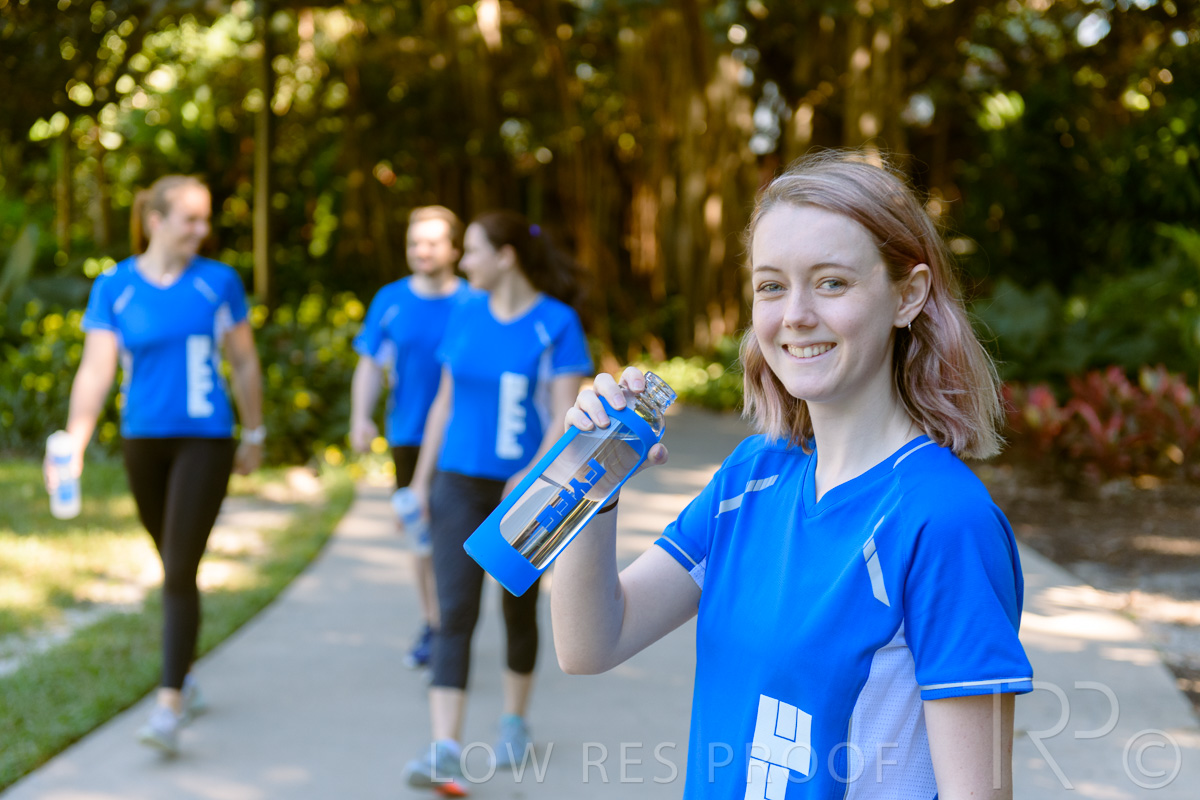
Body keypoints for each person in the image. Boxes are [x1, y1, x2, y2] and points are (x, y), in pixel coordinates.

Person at [552, 151, 1033, 799]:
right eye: (772, 286)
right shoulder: (751, 475)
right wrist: (594, 483)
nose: (795, 315)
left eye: (831, 283)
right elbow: (589, 644)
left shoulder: (945, 519)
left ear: (908, 295)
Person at [48, 175, 264, 756]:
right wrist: (74, 441)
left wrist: (255, 431)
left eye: (205, 218)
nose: (202, 229)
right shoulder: (114, 286)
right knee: (171, 561)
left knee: (178, 568)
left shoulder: (218, 282)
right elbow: (96, 369)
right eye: (191, 218)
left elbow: (244, 362)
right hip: (142, 439)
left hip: (206, 440)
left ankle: (169, 703)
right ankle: (185, 675)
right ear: (156, 221)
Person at [403, 210, 592, 795]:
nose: (464, 263)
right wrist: (420, 480)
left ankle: (514, 720)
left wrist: (531, 482)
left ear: (506, 256)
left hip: (525, 491)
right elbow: (444, 402)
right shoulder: (464, 313)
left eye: (474, 251)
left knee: (517, 607)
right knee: (454, 611)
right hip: (457, 480)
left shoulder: (556, 323)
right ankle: (445, 748)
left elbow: (564, 419)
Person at [349, 205, 469, 670]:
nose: (422, 251)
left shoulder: (475, 302)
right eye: (414, 242)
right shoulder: (390, 300)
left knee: (454, 536)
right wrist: (361, 416)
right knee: (420, 533)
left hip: (465, 439)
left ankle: (453, 622)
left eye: (433, 243)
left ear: (454, 249)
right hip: (409, 435)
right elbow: (370, 364)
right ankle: (434, 624)